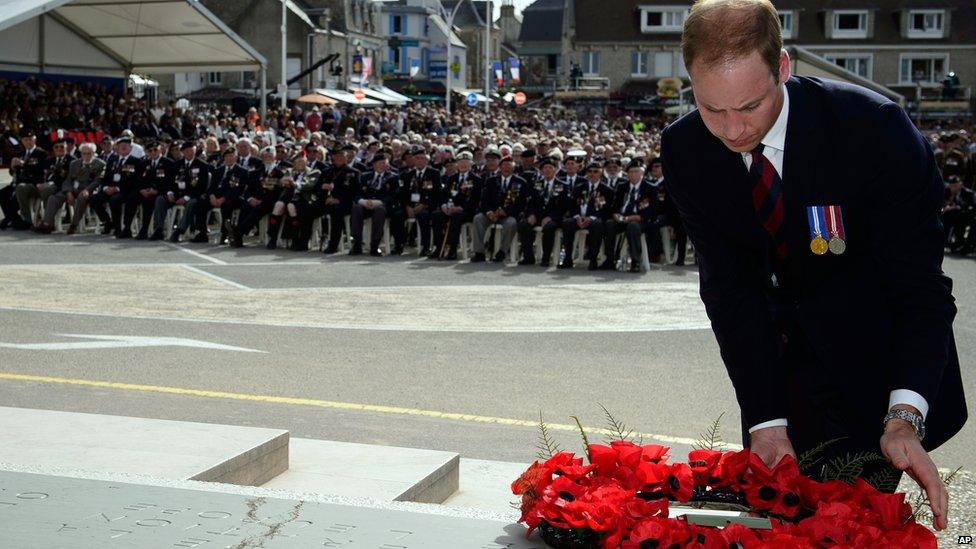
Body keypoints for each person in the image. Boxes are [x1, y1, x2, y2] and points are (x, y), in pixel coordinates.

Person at [661, 0, 965, 531]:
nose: (732, 130)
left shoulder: (873, 130)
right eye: (712, 109)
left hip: (876, 379)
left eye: (750, 106)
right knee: (777, 528)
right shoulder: (686, 149)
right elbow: (730, 293)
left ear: (782, 67)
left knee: (849, 532)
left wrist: (904, 418)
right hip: (777, 380)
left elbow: (920, 289)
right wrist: (765, 420)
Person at [560, 160, 614, 270]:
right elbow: (572, 206)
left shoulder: (607, 190)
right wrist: (577, 217)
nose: (592, 174)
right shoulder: (579, 188)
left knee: (597, 225)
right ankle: (568, 258)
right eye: (590, 171)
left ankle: (593, 259)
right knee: (567, 223)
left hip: (595, 219)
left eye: (595, 171)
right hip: (579, 218)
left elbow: (607, 210)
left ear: (600, 173)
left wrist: (591, 218)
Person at [41, 142, 105, 235]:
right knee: (53, 198)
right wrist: (68, 192)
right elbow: (68, 180)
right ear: (81, 153)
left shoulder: (100, 164)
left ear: (93, 153)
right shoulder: (74, 163)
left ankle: (74, 225)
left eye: (89, 153)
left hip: (88, 190)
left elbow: (97, 181)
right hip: (73, 189)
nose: (86, 156)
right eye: (84, 153)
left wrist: (87, 190)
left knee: (81, 198)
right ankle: (47, 224)